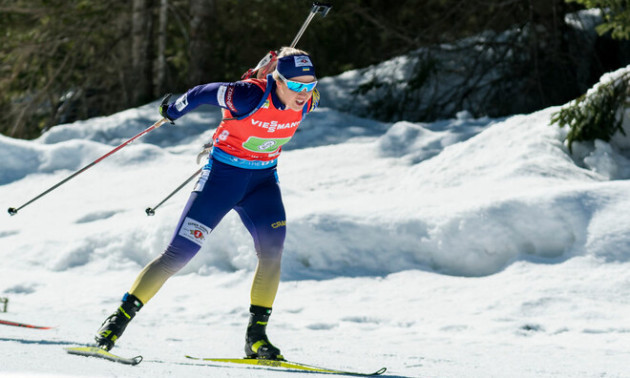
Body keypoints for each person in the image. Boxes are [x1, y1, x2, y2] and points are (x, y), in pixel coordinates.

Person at [94, 47, 319, 361]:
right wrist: (172, 111)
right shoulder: (246, 95)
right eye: (296, 85)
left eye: (309, 84)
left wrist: (275, 67)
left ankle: (256, 339)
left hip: (262, 183)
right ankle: (114, 326)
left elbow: (287, 85)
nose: (303, 92)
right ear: (277, 80)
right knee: (178, 255)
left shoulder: (307, 100)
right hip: (221, 181)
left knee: (272, 254)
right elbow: (200, 93)